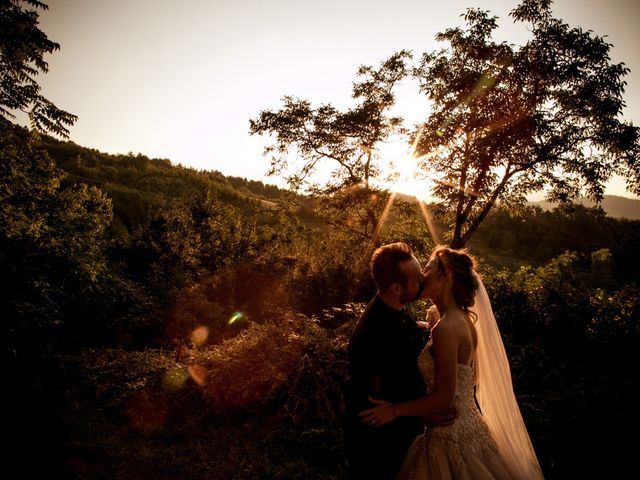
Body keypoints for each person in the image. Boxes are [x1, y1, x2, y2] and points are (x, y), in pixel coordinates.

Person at [359, 246, 544, 479]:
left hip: (450, 434)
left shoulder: (446, 327)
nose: (422, 275)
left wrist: (394, 410)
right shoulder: (457, 318)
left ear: (445, 276)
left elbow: (444, 397)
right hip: (465, 425)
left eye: (427, 268)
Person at [344, 242, 457, 480]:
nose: (423, 280)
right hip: (380, 452)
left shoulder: (394, 308)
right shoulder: (377, 333)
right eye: (417, 278)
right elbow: (376, 407)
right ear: (396, 288)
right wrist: (422, 417)